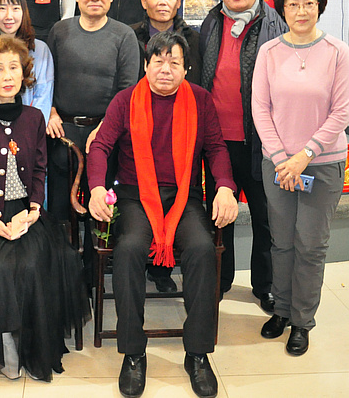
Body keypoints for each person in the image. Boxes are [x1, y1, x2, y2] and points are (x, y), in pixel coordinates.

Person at [88, 32, 238, 398]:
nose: (165, 69)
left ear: (186, 69)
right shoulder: (126, 100)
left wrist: (224, 186)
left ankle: (197, 353)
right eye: (158, 61)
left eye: (174, 62)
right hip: (134, 195)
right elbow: (101, 146)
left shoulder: (200, 100)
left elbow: (216, 148)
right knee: (128, 250)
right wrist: (95, 189)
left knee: (202, 249)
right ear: (146, 65)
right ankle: (133, 353)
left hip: (184, 195)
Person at [0, 35, 89, 381]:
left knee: (33, 261)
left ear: (24, 74)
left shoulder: (33, 118)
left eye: (14, 68)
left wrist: (33, 209)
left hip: (27, 211)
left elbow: (40, 168)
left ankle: (32, 342)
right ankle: (4, 341)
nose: (7, 75)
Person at [252, 0, 349, 356]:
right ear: (282, 7)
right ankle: (280, 309)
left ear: (319, 6)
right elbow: (260, 108)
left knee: (310, 246)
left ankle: (301, 321)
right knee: (281, 243)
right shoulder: (269, 52)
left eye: (308, 3)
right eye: (293, 3)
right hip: (278, 166)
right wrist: (282, 159)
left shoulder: (337, 52)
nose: (300, 10)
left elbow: (341, 112)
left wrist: (304, 155)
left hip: (322, 165)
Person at [199, 0, 288, 313]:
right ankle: (220, 280)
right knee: (220, 214)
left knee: (267, 216)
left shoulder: (275, 24)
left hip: (262, 141)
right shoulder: (211, 22)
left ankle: (264, 286)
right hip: (219, 141)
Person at [45, 0, 140, 225]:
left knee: (102, 208)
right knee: (59, 209)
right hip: (62, 129)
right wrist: (50, 111)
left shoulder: (124, 35)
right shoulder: (60, 31)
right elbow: (47, 78)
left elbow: (127, 90)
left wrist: (105, 127)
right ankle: (62, 250)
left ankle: (97, 252)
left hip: (106, 132)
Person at [128, 0, 202, 293]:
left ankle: (161, 270)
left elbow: (199, 82)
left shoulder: (193, 38)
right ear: (144, 2)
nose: (162, 1)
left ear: (178, 1)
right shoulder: (129, 34)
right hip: (138, 123)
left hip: (179, 124)